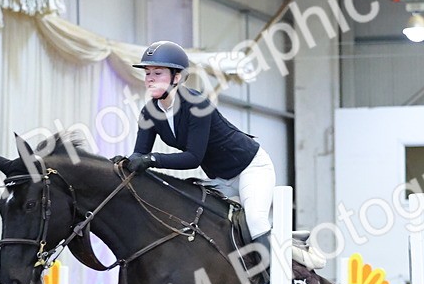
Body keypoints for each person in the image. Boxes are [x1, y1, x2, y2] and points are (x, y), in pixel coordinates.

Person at [125, 40, 323, 270]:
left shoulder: (196, 104)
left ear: (176, 77)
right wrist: (125, 165)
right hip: (220, 179)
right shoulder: (149, 112)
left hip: (251, 168)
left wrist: (151, 160)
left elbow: (192, 158)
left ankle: (274, 279)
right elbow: (139, 154)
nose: (149, 78)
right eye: (148, 73)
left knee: (256, 221)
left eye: (157, 73)